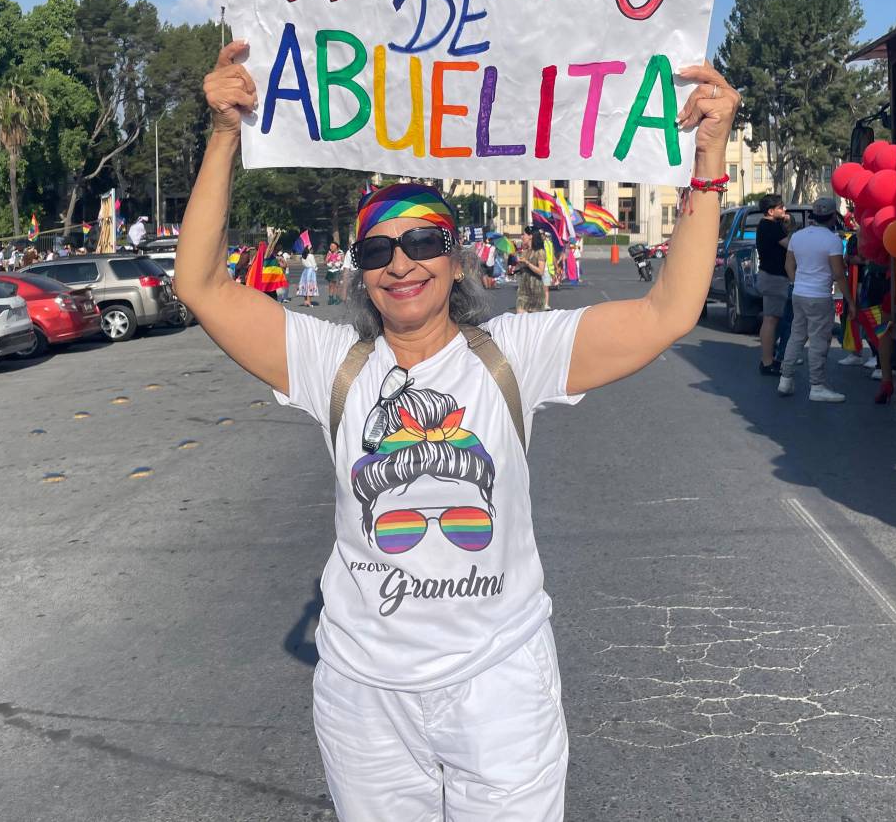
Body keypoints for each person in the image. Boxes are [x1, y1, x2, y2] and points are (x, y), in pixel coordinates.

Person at [173, 40, 738, 820]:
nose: (401, 263)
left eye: (423, 241)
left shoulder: (516, 352)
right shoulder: (330, 359)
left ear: (456, 256)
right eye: (377, 249)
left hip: (500, 687)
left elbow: (667, 311)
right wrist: (226, 133)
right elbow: (199, 285)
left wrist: (706, 163)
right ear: (359, 269)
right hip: (364, 695)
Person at [777, 196, 848, 403]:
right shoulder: (832, 240)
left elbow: (788, 265)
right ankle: (816, 385)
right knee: (818, 341)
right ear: (833, 216)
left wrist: (797, 282)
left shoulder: (797, 237)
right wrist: (849, 299)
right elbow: (838, 273)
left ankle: (785, 379)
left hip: (799, 293)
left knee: (796, 336)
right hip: (819, 296)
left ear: (813, 215)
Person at [753, 195, 792, 376]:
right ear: (771, 211)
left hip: (771, 276)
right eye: (781, 207)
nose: (784, 210)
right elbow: (791, 245)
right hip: (774, 277)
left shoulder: (766, 226)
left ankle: (769, 357)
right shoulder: (770, 226)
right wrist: (791, 227)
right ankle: (768, 361)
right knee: (771, 319)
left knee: (774, 319)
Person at [513, 227, 547, 314]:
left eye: (523, 234)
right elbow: (522, 268)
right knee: (520, 318)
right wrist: (516, 267)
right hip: (523, 290)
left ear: (530, 236)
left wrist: (527, 263)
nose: (522, 237)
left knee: (534, 323)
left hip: (536, 290)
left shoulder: (540, 252)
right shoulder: (525, 251)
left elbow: (541, 271)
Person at [324, 241, 345, 305]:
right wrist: (328, 257)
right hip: (330, 270)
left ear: (336, 247)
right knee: (330, 285)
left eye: (333, 246)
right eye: (330, 246)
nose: (331, 247)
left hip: (337, 270)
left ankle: (337, 298)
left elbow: (343, 262)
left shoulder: (340, 253)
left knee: (337, 285)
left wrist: (338, 263)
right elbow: (325, 262)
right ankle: (331, 298)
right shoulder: (329, 253)